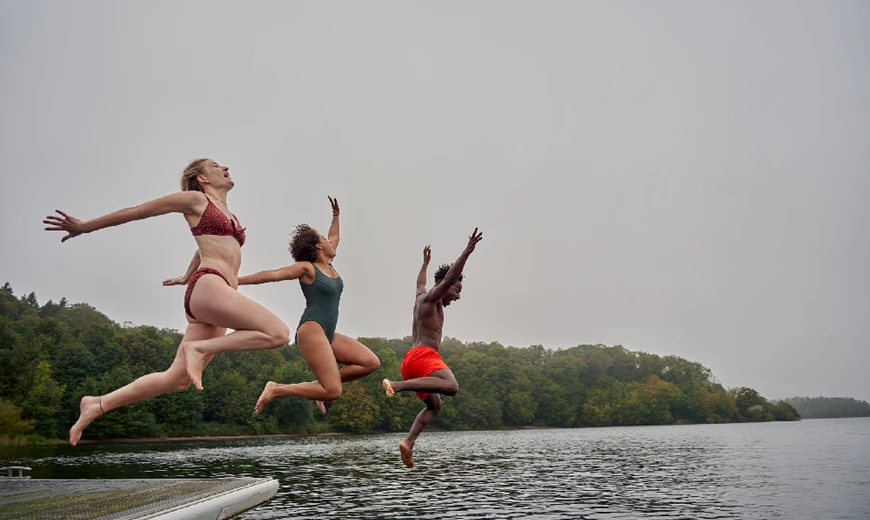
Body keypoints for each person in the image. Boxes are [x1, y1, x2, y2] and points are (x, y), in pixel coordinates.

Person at [43, 159, 291, 445]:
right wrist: (86, 227)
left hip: (213, 295)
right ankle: (199, 349)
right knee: (278, 333)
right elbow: (138, 211)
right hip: (211, 286)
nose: (224, 167)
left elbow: (204, 246)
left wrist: (185, 276)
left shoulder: (227, 212)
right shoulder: (195, 199)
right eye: (215, 165)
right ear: (202, 178)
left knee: (177, 380)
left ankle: (97, 404)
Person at [237, 197, 380, 415]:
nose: (331, 242)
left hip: (328, 332)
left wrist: (336, 216)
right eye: (324, 239)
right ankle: (277, 388)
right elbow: (274, 274)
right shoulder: (308, 268)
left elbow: (335, 236)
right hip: (312, 329)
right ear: (318, 246)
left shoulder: (329, 264)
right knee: (333, 391)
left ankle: (319, 386)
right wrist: (237, 280)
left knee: (370, 362)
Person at [382, 228, 483, 468]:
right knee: (452, 387)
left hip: (410, 361)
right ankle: (397, 385)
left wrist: (425, 264)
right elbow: (448, 279)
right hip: (423, 357)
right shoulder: (432, 298)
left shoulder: (421, 296)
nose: (457, 296)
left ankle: (408, 443)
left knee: (434, 406)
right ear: (446, 286)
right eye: (457, 290)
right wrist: (467, 252)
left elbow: (420, 282)